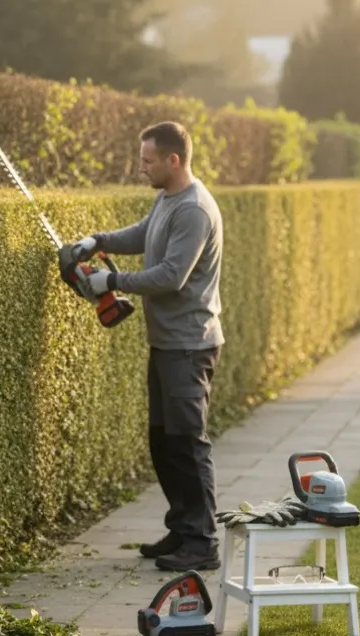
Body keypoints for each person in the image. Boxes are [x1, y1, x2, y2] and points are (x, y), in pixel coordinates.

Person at [65, 120, 225, 572]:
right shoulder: (168, 200)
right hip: (167, 343)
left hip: (189, 345)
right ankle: (182, 527)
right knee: (163, 440)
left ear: (173, 160)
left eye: (148, 161)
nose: (142, 168)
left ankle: (202, 541)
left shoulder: (194, 209)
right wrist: (98, 241)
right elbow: (143, 233)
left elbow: (171, 276)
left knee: (188, 443)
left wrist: (111, 280)